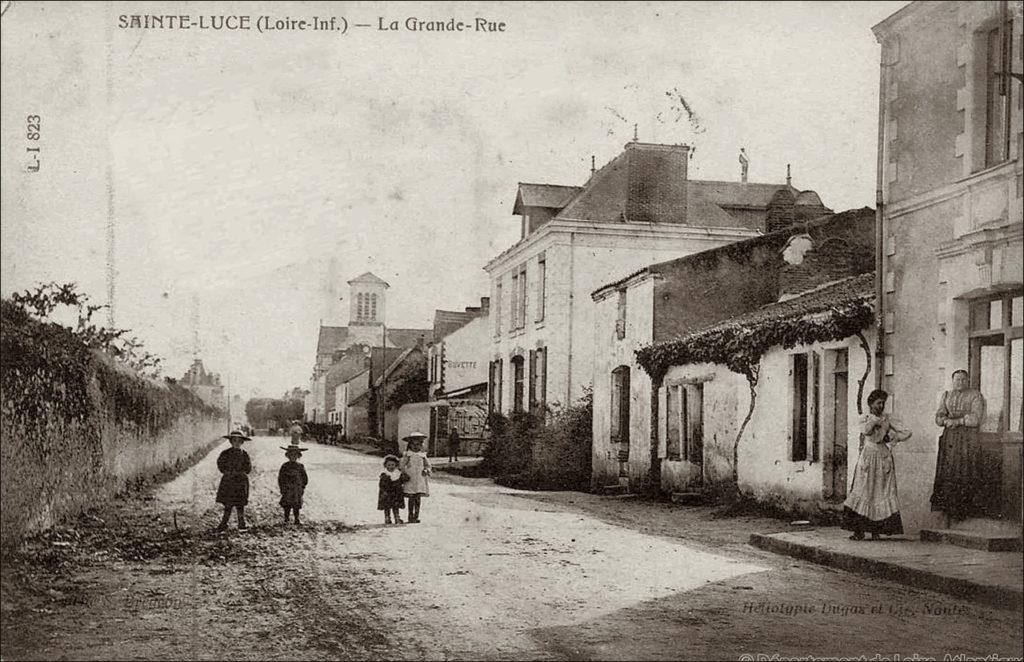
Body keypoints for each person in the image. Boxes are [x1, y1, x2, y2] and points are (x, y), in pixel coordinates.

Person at [842, 389, 912, 541]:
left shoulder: (888, 419)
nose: (881, 406)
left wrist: (892, 439)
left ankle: (876, 531)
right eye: (878, 403)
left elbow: (907, 432)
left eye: (883, 403)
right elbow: (866, 431)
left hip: (882, 456)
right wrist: (874, 420)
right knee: (864, 490)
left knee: (880, 492)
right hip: (868, 455)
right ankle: (858, 531)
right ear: (871, 404)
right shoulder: (865, 418)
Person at [930, 369, 987, 520]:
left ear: (967, 381)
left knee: (965, 470)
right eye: (957, 380)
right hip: (950, 439)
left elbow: (976, 418)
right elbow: (938, 416)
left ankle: (965, 509)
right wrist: (943, 419)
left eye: (963, 379)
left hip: (968, 440)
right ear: (952, 381)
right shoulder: (947, 395)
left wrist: (958, 421)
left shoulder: (975, 395)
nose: (960, 382)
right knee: (949, 471)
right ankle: (949, 509)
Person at [215, 430, 252, 531]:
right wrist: (227, 472)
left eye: (239, 441)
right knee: (228, 504)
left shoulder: (244, 454)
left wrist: (242, 472)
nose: (236, 443)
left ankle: (241, 523)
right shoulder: (225, 453)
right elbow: (220, 464)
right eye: (234, 440)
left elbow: (248, 468)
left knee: (240, 504)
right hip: (229, 481)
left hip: (240, 482)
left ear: (242, 442)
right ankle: (224, 523)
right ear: (231, 442)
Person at [399, 432, 431, 524]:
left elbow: (428, 465)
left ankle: (416, 516)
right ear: (410, 445)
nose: (416, 446)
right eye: (414, 444)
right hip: (410, 479)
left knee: (418, 498)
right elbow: (401, 465)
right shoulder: (407, 455)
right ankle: (410, 516)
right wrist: (404, 473)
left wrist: (426, 470)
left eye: (419, 444)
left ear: (421, 445)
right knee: (411, 498)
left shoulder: (423, 455)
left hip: (420, 479)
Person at [278, 442, 309, 525]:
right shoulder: (285, 466)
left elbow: (305, 478)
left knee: (296, 505)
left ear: (298, 456)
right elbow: (281, 478)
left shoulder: (300, 466)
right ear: (288, 456)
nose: (293, 457)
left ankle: (296, 519)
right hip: (287, 488)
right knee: (287, 505)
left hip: (296, 488)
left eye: (295, 455)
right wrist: (282, 488)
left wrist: (302, 487)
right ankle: (286, 518)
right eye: (291, 455)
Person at [377, 454, 406, 525]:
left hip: (396, 493)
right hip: (387, 493)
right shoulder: (384, 475)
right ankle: (387, 518)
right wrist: (384, 491)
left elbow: (405, 479)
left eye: (393, 465)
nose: (390, 467)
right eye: (388, 465)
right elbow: (381, 485)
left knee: (396, 506)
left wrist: (403, 472)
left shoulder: (398, 473)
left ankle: (397, 518)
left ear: (396, 465)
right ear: (385, 466)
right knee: (387, 507)